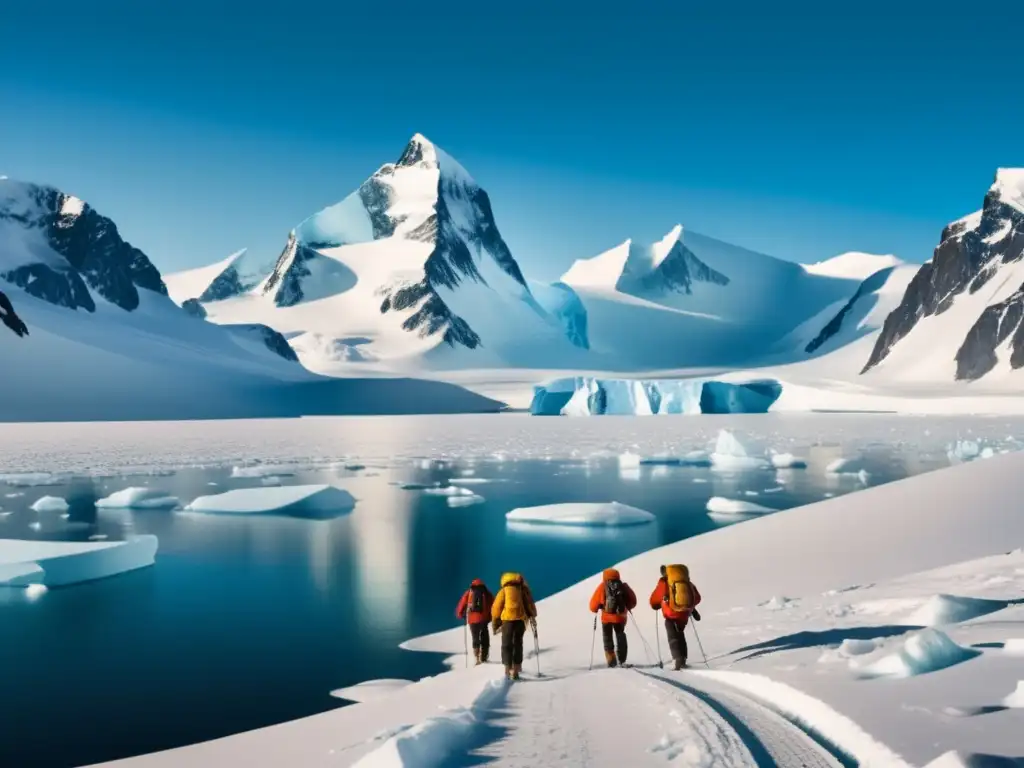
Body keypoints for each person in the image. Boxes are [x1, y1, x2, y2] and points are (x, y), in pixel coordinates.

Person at [650, 564, 702, 670]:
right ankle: (683, 659)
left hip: (671, 613)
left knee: (673, 636)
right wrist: (689, 607)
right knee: (680, 634)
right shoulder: (687, 582)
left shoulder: (664, 582)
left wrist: (655, 605)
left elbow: (654, 599)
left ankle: (679, 661)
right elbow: (697, 598)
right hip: (684, 614)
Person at [491, 572, 537, 680]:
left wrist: (495, 623)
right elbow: (529, 604)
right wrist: (532, 616)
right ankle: (516, 669)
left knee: (506, 645)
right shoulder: (522, 590)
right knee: (518, 644)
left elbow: (496, 608)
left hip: (507, 621)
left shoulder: (503, 591)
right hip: (520, 620)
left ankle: (507, 669)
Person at [588, 568, 637, 667]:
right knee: (620, 634)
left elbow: (592, 606)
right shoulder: (623, 586)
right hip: (620, 617)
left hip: (606, 618)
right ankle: (622, 660)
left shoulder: (602, 586)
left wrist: (599, 608)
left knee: (607, 637)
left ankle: (611, 660)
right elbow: (633, 602)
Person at [456, 578, 494, 665]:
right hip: (484, 618)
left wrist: (460, 614)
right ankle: (484, 657)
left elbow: (462, 603)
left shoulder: (469, 592)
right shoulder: (486, 592)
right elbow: (494, 603)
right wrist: (491, 616)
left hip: (472, 619)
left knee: (475, 638)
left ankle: (476, 658)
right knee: (484, 636)